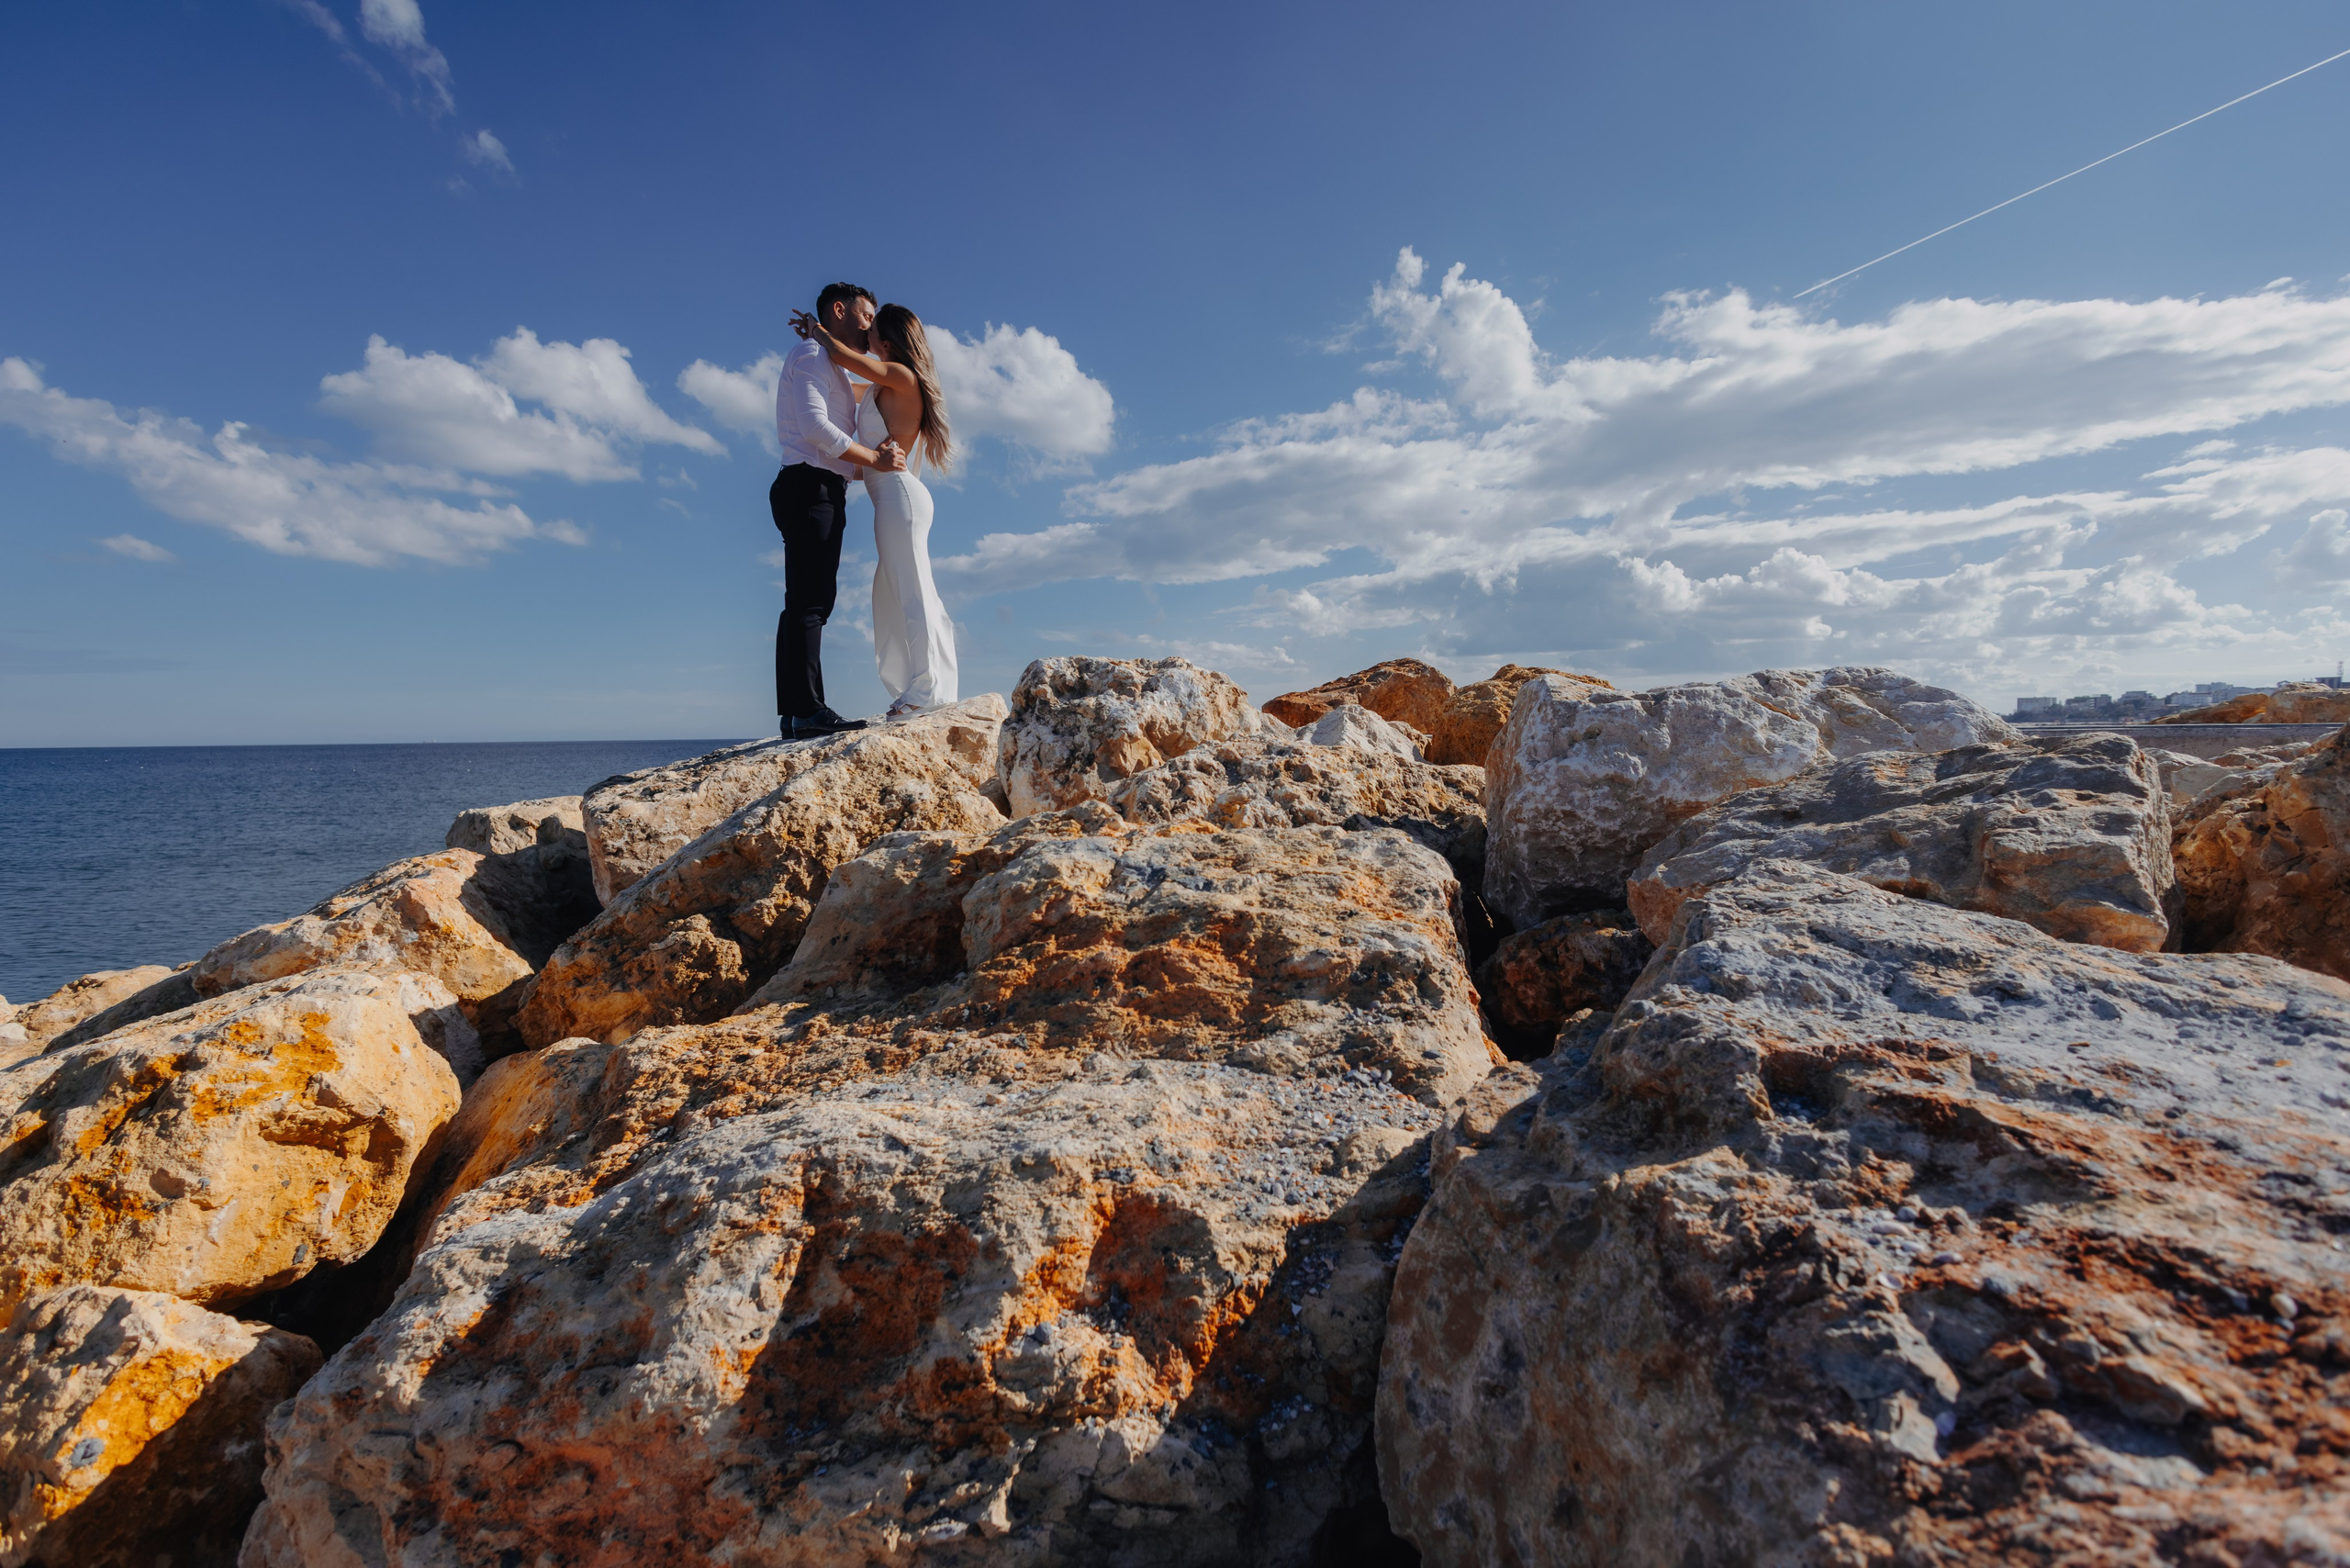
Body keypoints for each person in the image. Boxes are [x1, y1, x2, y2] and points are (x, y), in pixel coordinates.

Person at [789, 301, 957, 716]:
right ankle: (923, 685)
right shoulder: (881, 389)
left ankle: (926, 691)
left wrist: (817, 330)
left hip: (900, 498)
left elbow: (845, 358)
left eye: (872, 330)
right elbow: (843, 383)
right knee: (899, 592)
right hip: (889, 498)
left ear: (888, 339)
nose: (866, 336)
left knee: (913, 591)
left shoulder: (901, 375)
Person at [771, 282, 908, 737]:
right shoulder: (812, 356)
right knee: (810, 605)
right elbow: (814, 427)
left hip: (815, 486)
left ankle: (797, 712)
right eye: (866, 315)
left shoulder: (823, 357)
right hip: (809, 487)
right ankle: (807, 710)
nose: (870, 325)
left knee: (805, 604)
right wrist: (877, 461)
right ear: (839, 310)